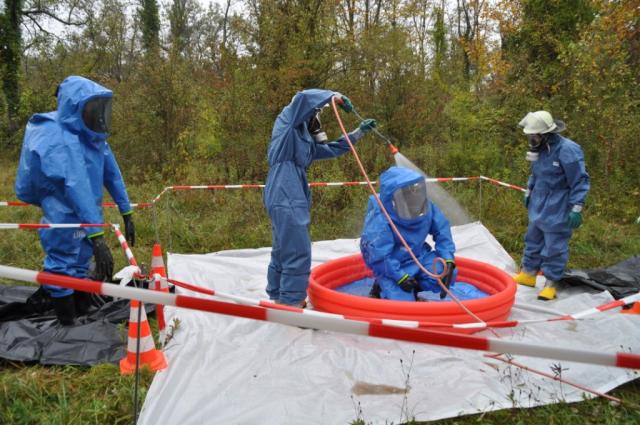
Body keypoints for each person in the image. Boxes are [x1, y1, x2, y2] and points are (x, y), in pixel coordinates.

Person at [15, 76, 135, 324]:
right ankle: (66, 319)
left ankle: (81, 304)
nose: (99, 115)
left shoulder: (93, 138)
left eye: (101, 108)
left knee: (82, 257)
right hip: (62, 210)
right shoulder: (60, 137)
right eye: (93, 108)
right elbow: (75, 184)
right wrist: (97, 236)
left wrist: (126, 211)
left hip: (88, 210)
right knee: (62, 260)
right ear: (75, 108)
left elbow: (112, 174)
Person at [264, 89, 377, 307]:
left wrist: (358, 133)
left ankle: (278, 296)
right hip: (285, 188)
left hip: (290, 188)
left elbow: (331, 149)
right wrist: (334, 96)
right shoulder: (287, 124)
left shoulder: (303, 141)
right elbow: (303, 98)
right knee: (297, 249)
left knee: (283, 247)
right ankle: (292, 303)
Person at [513, 110, 590, 300]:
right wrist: (529, 191)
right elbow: (535, 173)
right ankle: (529, 273)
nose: (531, 139)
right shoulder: (540, 149)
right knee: (533, 239)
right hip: (538, 202)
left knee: (554, 246)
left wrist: (577, 207)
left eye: (534, 135)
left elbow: (579, 180)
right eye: (530, 135)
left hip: (559, 205)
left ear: (546, 134)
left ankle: (550, 283)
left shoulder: (568, 150)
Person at [360, 166, 456, 301]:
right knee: (402, 303)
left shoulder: (426, 207)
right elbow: (379, 257)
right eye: (407, 193)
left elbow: (442, 231)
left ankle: (414, 288)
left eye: (415, 191)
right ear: (392, 198)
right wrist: (400, 277)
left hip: (417, 256)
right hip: (391, 265)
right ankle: (380, 287)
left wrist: (448, 258)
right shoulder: (381, 220)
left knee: (445, 272)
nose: (413, 197)